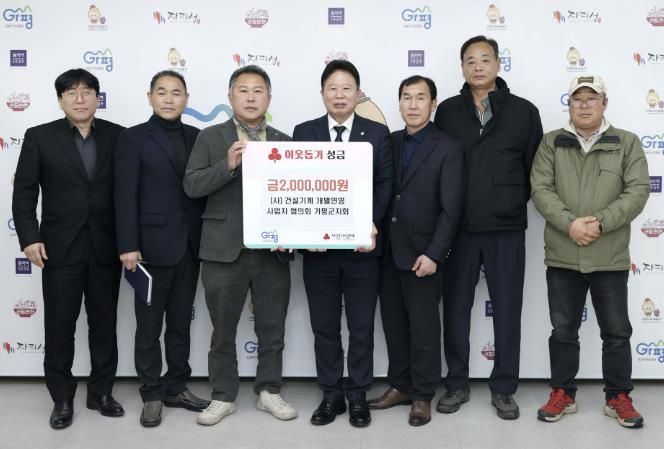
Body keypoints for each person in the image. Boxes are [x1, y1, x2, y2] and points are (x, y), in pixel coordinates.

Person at [531, 75, 649, 428]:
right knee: (563, 331)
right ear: (568, 104)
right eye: (577, 98)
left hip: (608, 255)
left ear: (604, 103)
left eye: (591, 98)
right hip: (563, 254)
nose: (584, 105)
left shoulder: (626, 142)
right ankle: (563, 394)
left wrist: (600, 223)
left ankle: (618, 397)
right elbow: (540, 188)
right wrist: (570, 224)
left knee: (616, 332)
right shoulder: (552, 142)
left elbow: (637, 191)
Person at [433, 35, 543, 420]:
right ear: (462, 67)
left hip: (505, 227)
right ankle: (456, 383)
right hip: (459, 228)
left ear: (498, 64)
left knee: (508, 309)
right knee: (455, 309)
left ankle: (504, 387)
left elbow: (535, 171)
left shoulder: (524, 111)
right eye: (470, 60)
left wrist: (508, 201)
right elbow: (440, 166)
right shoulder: (448, 111)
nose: (477, 66)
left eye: (484, 59)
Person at [183, 65, 297, 426]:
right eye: (243, 90)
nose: (250, 97)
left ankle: (269, 390)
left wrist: (290, 237)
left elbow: (296, 198)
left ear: (269, 98)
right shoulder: (209, 137)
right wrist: (227, 165)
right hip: (222, 249)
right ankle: (223, 395)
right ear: (230, 97)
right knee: (222, 331)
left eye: (258, 90)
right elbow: (192, 186)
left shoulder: (284, 141)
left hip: (272, 254)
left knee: (272, 328)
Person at [12, 68, 125, 429]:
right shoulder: (40, 137)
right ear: (60, 100)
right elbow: (24, 192)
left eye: (87, 91)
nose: (80, 98)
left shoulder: (118, 136)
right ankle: (62, 398)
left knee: (104, 325)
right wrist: (29, 237)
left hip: (106, 247)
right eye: (71, 93)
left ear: (97, 98)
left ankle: (101, 393)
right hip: (59, 249)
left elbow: (128, 192)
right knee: (60, 326)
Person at [292, 60, 393, 428]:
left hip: (362, 251)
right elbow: (296, 184)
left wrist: (369, 223)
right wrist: (305, 232)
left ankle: (358, 394)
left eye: (346, 88)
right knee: (325, 326)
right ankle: (331, 393)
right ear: (322, 93)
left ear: (358, 93)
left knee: (362, 326)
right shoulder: (304, 132)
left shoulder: (376, 133)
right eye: (332, 88)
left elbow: (385, 183)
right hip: (318, 253)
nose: (339, 95)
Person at [114, 70, 209, 427]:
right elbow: (124, 195)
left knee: (180, 324)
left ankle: (177, 387)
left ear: (186, 98)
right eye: (162, 92)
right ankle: (152, 393)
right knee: (149, 327)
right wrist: (128, 245)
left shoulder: (198, 136)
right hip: (149, 249)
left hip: (190, 246)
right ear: (150, 97)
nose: (169, 99)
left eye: (176, 93)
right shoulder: (133, 138)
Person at [368, 75, 463, 426]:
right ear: (399, 103)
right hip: (388, 251)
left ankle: (422, 394)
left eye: (420, 97)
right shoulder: (389, 141)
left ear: (433, 104)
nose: (412, 104)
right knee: (394, 325)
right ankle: (400, 385)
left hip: (423, 254)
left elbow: (451, 208)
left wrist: (435, 253)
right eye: (406, 97)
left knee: (423, 329)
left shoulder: (448, 147)